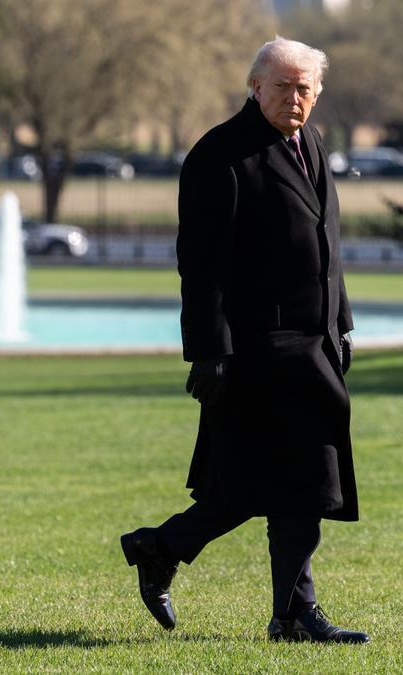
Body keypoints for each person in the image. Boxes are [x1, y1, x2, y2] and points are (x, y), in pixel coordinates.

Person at [120, 36, 368, 644]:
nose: (294, 98)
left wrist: (342, 321)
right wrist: (208, 352)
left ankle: (277, 606)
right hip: (257, 350)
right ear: (254, 87)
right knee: (268, 482)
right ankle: (181, 558)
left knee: (291, 482)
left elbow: (325, 245)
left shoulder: (310, 143)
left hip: (313, 345)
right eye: (281, 86)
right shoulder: (219, 156)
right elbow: (200, 266)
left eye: (305, 87)